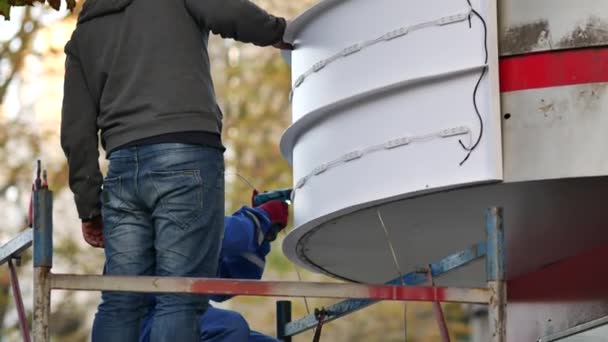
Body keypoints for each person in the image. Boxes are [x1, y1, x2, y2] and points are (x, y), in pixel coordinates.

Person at [60, 0, 292, 341]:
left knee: (121, 300)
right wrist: (281, 33)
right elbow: (230, 12)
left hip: (123, 171)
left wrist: (90, 208)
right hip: (185, 155)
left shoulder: (84, 32)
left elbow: (75, 131)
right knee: (179, 297)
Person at [140, 198, 288, 342]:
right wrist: (262, 215)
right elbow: (226, 235)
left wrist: (263, 235)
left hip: (174, 316)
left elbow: (224, 285)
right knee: (228, 327)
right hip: (139, 323)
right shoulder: (147, 210)